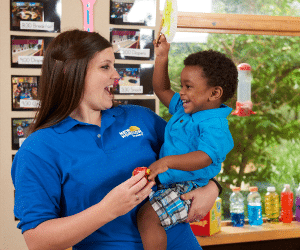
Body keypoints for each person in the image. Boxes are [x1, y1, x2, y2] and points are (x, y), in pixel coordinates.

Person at [11, 29, 222, 250]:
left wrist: (213, 187)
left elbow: (201, 155)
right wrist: (108, 209)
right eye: (105, 67)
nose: (116, 75)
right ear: (69, 72)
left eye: (114, 65)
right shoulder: (38, 149)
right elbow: (37, 240)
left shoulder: (141, 118)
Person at [136, 34, 238, 250]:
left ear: (214, 93)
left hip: (189, 187)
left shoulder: (214, 124)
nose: (181, 92)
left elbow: (205, 157)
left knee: (147, 218)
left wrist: (168, 162)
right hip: (171, 183)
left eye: (188, 87)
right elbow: (162, 89)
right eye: (182, 85)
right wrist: (162, 56)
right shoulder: (187, 109)